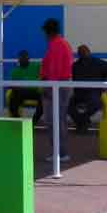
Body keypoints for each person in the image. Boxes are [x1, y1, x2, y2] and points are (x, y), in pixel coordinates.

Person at [39, 18, 73, 162]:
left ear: (48, 31)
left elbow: (55, 70)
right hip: (59, 85)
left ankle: (60, 153)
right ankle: (59, 152)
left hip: (57, 86)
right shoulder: (59, 43)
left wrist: (48, 88)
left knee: (54, 120)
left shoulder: (57, 45)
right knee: (57, 119)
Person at [68, 45, 107, 133]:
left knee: (96, 104)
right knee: (66, 104)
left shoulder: (100, 63)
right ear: (78, 54)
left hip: (93, 93)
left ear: (89, 52)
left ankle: (82, 122)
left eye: (84, 52)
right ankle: (83, 122)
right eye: (80, 52)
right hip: (79, 94)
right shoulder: (75, 66)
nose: (82, 54)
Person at [8, 50, 43, 124]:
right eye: (21, 58)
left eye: (25, 57)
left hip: (36, 91)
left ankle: (32, 123)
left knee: (44, 100)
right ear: (19, 60)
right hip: (22, 92)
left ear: (28, 58)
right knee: (12, 99)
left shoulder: (36, 66)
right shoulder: (15, 71)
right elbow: (12, 85)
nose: (23, 59)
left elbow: (42, 78)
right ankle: (19, 122)